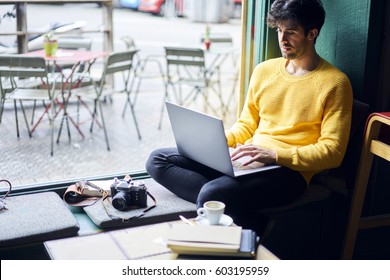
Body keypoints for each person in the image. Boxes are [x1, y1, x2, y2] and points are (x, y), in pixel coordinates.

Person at [145, 0, 353, 231]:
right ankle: (239, 209)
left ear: (312, 33)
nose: (282, 40)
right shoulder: (264, 71)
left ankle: (235, 212)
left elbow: (332, 152)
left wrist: (274, 154)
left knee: (212, 193)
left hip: (289, 173)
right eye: (279, 31)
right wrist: (218, 142)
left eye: (291, 33)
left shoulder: (335, 83)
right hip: (248, 160)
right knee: (158, 160)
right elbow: (246, 125)